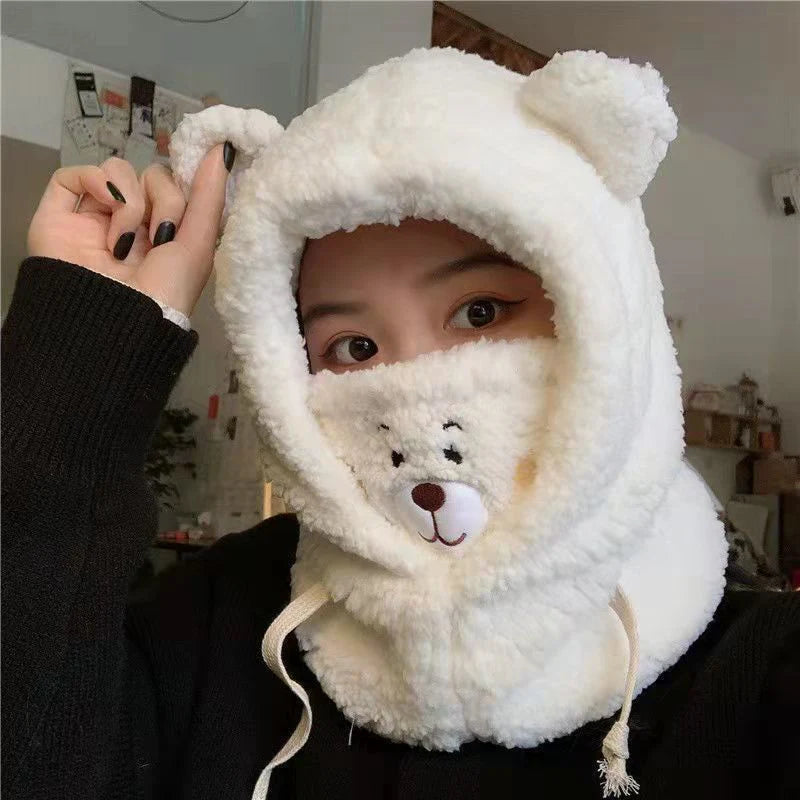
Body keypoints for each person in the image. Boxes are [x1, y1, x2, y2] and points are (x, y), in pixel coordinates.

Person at [3, 48, 798, 800]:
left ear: (607, 310)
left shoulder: (759, 672)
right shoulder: (220, 621)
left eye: (481, 312)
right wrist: (81, 355)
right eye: (354, 347)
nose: (414, 395)